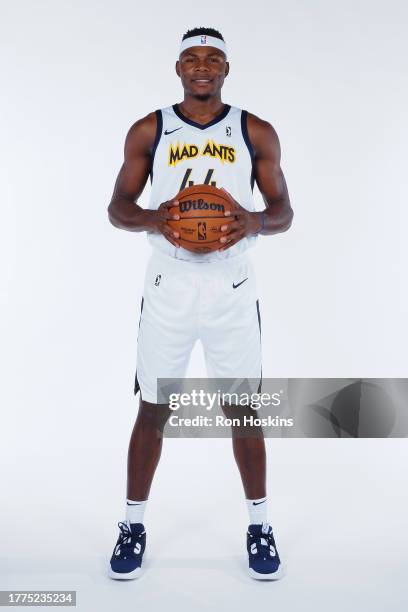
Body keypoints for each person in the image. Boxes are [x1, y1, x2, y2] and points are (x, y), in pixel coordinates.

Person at [107, 26, 293, 580]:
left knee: (243, 410)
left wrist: (254, 219)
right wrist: (155, 217)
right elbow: (117, 206)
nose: (202, 66)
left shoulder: (254, 130)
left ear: (226, 69)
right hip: (169, 282)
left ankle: (260, 524)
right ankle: (132, 523)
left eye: (213, 58)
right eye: (192, 58)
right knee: (154, 409)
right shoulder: (151, 128)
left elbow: (284, 210)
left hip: (231, 283)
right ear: (179, 69)